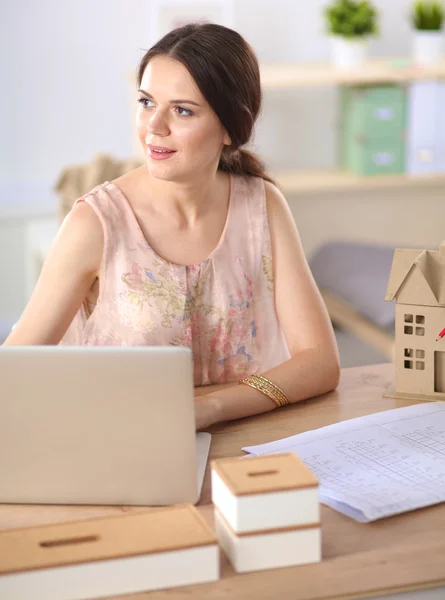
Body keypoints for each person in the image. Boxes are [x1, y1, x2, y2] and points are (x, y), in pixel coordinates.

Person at [4, 23, 340, 429]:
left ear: (231, 127)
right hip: (122, 441)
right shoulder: (94, 223)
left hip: (247, 439)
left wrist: (211, 409)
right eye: (146, 102)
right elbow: (14, 373)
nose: (154, 126)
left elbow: (320, 362)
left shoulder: (263, 206)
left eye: (182, 110)